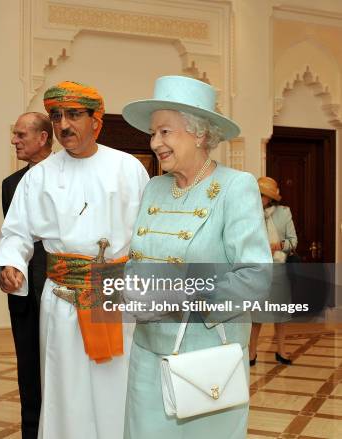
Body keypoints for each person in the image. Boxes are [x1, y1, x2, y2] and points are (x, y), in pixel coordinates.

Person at [121, 75, 272, 438]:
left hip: (205, 361)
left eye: (165, 132)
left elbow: (257, 276)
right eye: (153, 133)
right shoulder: (154, 188)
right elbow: (137, 261)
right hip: (146, 354)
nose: (155, 142)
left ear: (199, 134)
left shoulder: (236, 187)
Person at [0, 81, 150, 439]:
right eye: (56, 116)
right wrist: (12, 264)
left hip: (115, 296)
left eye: (74, 115)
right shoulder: (38, 176)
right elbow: (16, 233)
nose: (63, 124)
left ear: (96, 121)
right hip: (63, 299)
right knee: (65, 390)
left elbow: (147, 233)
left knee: (116, 385)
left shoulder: (128, 168)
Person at [1, 112, 52, 439]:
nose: (14, 141)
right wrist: (6, 270)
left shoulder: (70, 177)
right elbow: (11, 238)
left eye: (21, 135)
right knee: (29, 375)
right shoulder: (11, 184)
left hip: (63, 292)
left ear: (43, 138)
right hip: (24, 298)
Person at [249, 176, 298, 366]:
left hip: (278, 270)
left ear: (270, 198)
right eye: (257, 194)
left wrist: (279, 245)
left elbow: (293, 241)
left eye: (262, 195)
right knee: (255, 317)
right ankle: (251, 353)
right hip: (258, 271)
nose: (259, 198)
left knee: (281, 315)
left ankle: (281, 351)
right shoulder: (248, 213)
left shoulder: (284, 213)